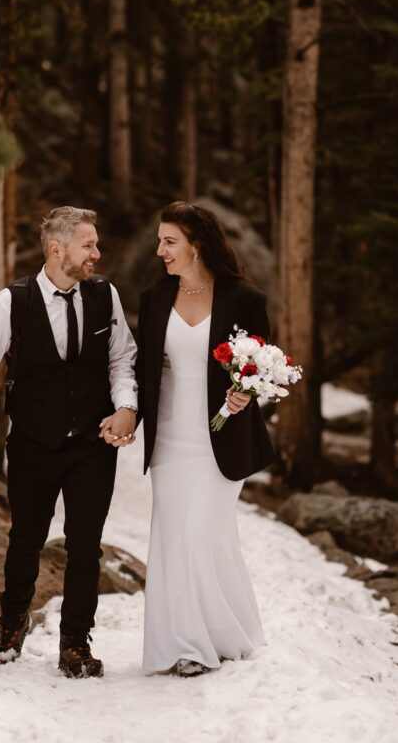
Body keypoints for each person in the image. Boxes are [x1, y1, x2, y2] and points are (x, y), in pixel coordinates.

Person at [0, 206, 137, 678]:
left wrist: (126, 406)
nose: (97, 253)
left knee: (86, 546)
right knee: (25, 539)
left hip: (92, 446)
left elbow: (122, 359)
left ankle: (76, 643)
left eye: (96, 244)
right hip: (33, 442)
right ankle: (13, 622)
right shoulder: (10, 302)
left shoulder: (105, 295)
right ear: (58, 249)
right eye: (88, 245)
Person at [136, 201, 275, 676]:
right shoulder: (154, 299)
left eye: (169, 242)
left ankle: (200, 644)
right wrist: (123, 416)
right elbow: (142, 370)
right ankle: (200, 639)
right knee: (175, 539)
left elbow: (263, 366)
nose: (160, 251)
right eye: (160, 241)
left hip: (221, 440)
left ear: (197, 245)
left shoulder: (243, 298)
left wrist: (245, 394)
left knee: (200, 534)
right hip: (170, 442)